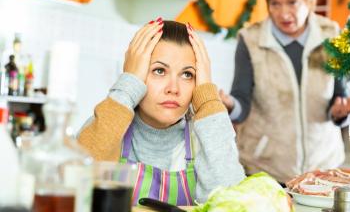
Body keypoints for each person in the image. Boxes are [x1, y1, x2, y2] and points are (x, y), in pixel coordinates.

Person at [78, 19, 245, 205]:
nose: (173, 88)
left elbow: (234, 205)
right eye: (159, 71)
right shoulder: (108, 125)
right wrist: (128, 85)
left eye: (187, 74)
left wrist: (208, 99)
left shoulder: (204, 138)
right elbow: (74, 189)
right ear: (136, 74)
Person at [219, 0, 350, 184]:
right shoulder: (250, 40)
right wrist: (229, 104)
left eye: (292, 2)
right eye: (275, 4)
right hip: (264, 171)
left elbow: (338, 98)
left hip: (323, 169)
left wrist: (340, 112)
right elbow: (242, 102)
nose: (283, 13)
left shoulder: (330, 35)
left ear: (309, 1)